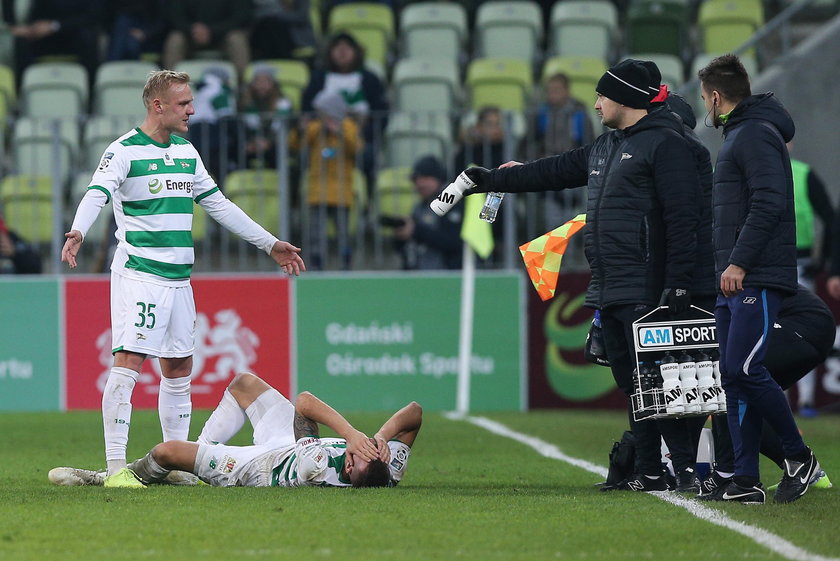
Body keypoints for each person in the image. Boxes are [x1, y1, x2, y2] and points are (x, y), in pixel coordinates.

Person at [434, 59, 704, 494]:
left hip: (646, 281)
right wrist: (489, 180)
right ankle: (650, 471)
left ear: (625, 98)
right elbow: (552, 171)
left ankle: (685, 468)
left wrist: (677, 282)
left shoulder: (666, 145)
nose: (595, 104)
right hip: (610, 282)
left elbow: (683, 218)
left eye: (602, 96)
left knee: (656, 382)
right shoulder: (606, 146)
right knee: (631, 382)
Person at [61, 70, 306, 489]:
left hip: (180, 281)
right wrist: (79, 229)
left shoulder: (187, 153)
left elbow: (220, 206)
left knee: (178, 368)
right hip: (140, 275)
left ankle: (175, 461)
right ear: (158, 106)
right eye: (183, 103)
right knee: (129, 362)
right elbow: (96, 192)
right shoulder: (123, 151)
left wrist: (269, 244)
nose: (192, 109)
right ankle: (117, 468)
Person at [697, 53, 819, 504]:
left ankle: (799, 457)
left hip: (755, 275)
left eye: (705, 99)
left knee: (744, 368)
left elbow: (769, 202)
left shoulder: (753, 135)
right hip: (734, 277)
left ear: (715, 96)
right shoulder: (744, 133)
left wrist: (740, 263)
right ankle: (745, 480)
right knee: (731, 376)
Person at [48, 371, 422, 489]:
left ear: (347, 468)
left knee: (166, 452)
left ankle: (105, 478)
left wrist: (355, 433)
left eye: (353, 456)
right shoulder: (387, 471)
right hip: (286, 442)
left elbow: (304, 404)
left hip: (263, 465)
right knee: (244, 383)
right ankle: (196, 452)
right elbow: (415, 414)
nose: (355, 452)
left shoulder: (318, 465)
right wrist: (383, 438)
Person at [700, 285, 834, 499]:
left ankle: (798, 459)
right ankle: (743, 476)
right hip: (804, 323)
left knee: (737, 377)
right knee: (737, 387)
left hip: (805, 324)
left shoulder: (717, 276)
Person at [301, 32, 389, 191]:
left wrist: (360, 135)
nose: (342, 52)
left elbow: (380, 114)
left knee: (368, 157)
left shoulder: (370, 79)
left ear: (356, 52)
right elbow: (307, 110)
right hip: (324, 141)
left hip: (358, 141)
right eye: (337, 48)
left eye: (347, 48)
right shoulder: (319, 78)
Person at [785, 141, 834, 417]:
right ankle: (777, 397)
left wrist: (822, 261)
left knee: (802, 331)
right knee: (766, 331)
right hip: (760, 265)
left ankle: (805, 401)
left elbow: (830, 217)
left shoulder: (803, 173)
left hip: (800, 263)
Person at [289, 90, 362, 270]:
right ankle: (316, 262)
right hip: (318, 191)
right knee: (316, 232)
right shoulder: (315, 128)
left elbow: (356, 149)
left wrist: (338, 132)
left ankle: (346, 262)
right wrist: (300, 130)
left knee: (343, 232)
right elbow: (296, 145)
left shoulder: (348, 127)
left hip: (341, 192)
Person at [391, 155, 462, 270]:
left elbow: (453, 242)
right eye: (416, 179)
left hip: (447, 276)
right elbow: (404, 248)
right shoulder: (419, 207)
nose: (420, 183)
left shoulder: (452, 201)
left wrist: (415, 230)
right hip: (420, 276)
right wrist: (400, 236)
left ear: (438, 178)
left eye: (425, 177)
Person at [11, 0, 102, 83]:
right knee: (22, 42)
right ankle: (25, 86)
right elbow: (36, 17)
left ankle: (90, 88)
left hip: (74, 36)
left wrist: (54, 26)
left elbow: (91, 18)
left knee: (89, 38)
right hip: (48, 38)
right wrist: (31, 29)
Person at [161, 0, 252, 81]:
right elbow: (174, 15)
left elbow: (241, 16)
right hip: (189, 36)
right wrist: (191, 29)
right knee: (175, 39)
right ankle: (170, 85)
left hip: (223, 36)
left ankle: (242, 87)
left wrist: (211, 31)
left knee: (237, 39)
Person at [238, 65, 294, 170]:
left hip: (275, 145)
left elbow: (282, 126)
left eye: (266, 81)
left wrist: (268, 142)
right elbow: (243, 127)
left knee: (278, 151)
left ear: (273, 84)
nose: (261, 85)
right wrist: (252, 142)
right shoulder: (245, 103)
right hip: (252, 145)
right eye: (258, 81)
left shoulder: (283, 103)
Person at [250, 0, 317, 63]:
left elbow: (301, 17)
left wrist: (278, 15)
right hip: (277, 38)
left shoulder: (302, 1)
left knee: (273, 24)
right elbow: (259, 14)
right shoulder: (274, 3)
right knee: (267, 26)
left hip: (298, 39)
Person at [454, 106, 510, 173]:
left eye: (498, 123)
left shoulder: (509, 150)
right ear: (479, 126)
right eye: (489, 124)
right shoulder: (469, 153)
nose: (495, 129)